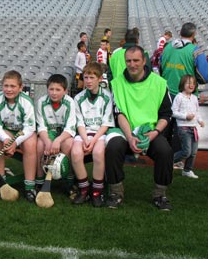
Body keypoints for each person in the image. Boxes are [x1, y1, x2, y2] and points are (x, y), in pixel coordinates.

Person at [105, 46, 174, 211]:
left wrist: (154, 133)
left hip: (150, 131)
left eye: (136, 60)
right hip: (125, 131)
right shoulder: (116, 83)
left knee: (165, 151)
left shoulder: (159, 83)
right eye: (128, 61)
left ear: (144, 61)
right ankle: (116, 192)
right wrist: (129, 137)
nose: (132, 64)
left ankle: (160, 194)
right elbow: (119, 112)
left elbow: (166, 115)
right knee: (113, 147)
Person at [0, 70, 37, 202]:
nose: (9, 89)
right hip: (7, 132)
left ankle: (30, 186)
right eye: (6, 86)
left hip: (24, 132)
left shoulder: (26, 102)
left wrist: (15, 142)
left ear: (20, 87)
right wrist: (6, 139)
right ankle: (0, 183)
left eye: (13, 86)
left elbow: (30, 127)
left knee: (31, 144)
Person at [71, 62, 114, 207]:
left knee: (98, 152)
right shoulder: (78, 98)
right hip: (83, 134)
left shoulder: (108, 97)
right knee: (76, 153)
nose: (88, 81)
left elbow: (106, 123)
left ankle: (97, 191)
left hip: (99, 134)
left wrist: (94, 140)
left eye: (91, 77)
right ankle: (84, 189)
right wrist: (85, 139)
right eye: (86, 77)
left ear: (100, 79)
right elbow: (79, 122)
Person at [36, 74, 76, 197]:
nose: (54, 93)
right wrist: (48, 141)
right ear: (47, 89)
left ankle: (69, 181)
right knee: (40, 145)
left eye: (58, 90)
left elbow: (70, 126)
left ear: (65, 91)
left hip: (64, 134)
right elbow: (41, 126)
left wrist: (58, 140)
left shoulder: (70, 102)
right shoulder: (41, 102)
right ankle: (40, 180)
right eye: (51, 89)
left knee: (68, 144)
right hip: (48, 132)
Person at [161, 22, 208, 98]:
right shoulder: (195, 51)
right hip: (187, 96)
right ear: (194, 34)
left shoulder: (167, 47)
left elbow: (161, 68)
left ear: (180, 32)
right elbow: (205, 77)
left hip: (167, 94)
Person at [172, 75, 205, 178]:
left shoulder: (195, 98)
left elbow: (197, 112)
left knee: (193, 152)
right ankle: (167, 162)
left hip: (193, 128)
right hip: (183, 128)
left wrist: (200, 121)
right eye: (188, 83)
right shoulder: (179, 97)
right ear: (183, 85)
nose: (191, 85)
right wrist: (185, 116)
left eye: (193, 83)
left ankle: (187, 170)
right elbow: (173, 112)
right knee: (186, 152)